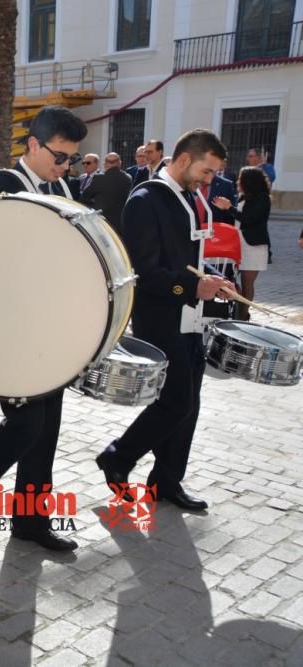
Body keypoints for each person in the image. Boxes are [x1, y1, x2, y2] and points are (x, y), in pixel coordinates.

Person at [0, 105, 87, 553]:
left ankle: (30, 521)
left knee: (47, 428)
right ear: (33, 145)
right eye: (60, 156)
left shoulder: (63, 187)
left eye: (71, 159)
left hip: (49, 329)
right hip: (7, 330)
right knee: (28, 423)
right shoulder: (0, 187)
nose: (66, 166)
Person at [95, 129, 235, 512]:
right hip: (161, 316)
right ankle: (118, 456)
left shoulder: (188, 196)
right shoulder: (145, 200)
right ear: (186, 159)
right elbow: (144, 270)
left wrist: (211, 280)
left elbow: (186, 255)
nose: (210, 180)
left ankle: (167, 482)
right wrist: (193, 286)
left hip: (191, 316)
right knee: (175, 402)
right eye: (207, 171)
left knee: (190, 404)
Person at [213, 166, 271, 320]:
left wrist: (229, 208)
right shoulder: (243, 197)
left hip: (254, 247)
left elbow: (249, 220)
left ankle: (243, 317)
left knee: (247, 283)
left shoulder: (263, 198)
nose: (238, 182)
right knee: (233, 280)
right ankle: (238, 312)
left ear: (250, 181)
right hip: (238, 245)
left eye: (241, 179)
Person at [80, 152, 132, 234]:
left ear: (105, 164)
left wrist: (95, 203)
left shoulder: (99, 178)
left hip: (101, 221)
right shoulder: (128, 178)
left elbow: (84, 196)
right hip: (120, 222)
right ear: (120, 163)